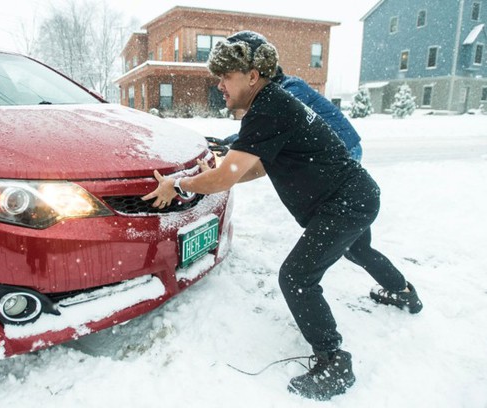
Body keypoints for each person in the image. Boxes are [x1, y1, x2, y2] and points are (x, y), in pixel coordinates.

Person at [142, 31, 422, 401]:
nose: (220, 84)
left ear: (253, 75)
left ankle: (334, 360)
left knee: (297, 277)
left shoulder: (268, 107)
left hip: (345, 203)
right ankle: (404, 293)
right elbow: (253, 169)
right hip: (356, 195)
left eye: (227, 76)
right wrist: (210, 177)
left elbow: (228, 175)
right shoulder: (273, 104)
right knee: (358, 251)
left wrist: (181, 185)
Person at [216, 67, 363, 161]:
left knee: (327, 199)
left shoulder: (291, 89)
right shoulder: (285, 89)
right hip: (335, 146)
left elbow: (270, 125)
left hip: (346, 147)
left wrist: (236, 142)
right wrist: (234, 140)